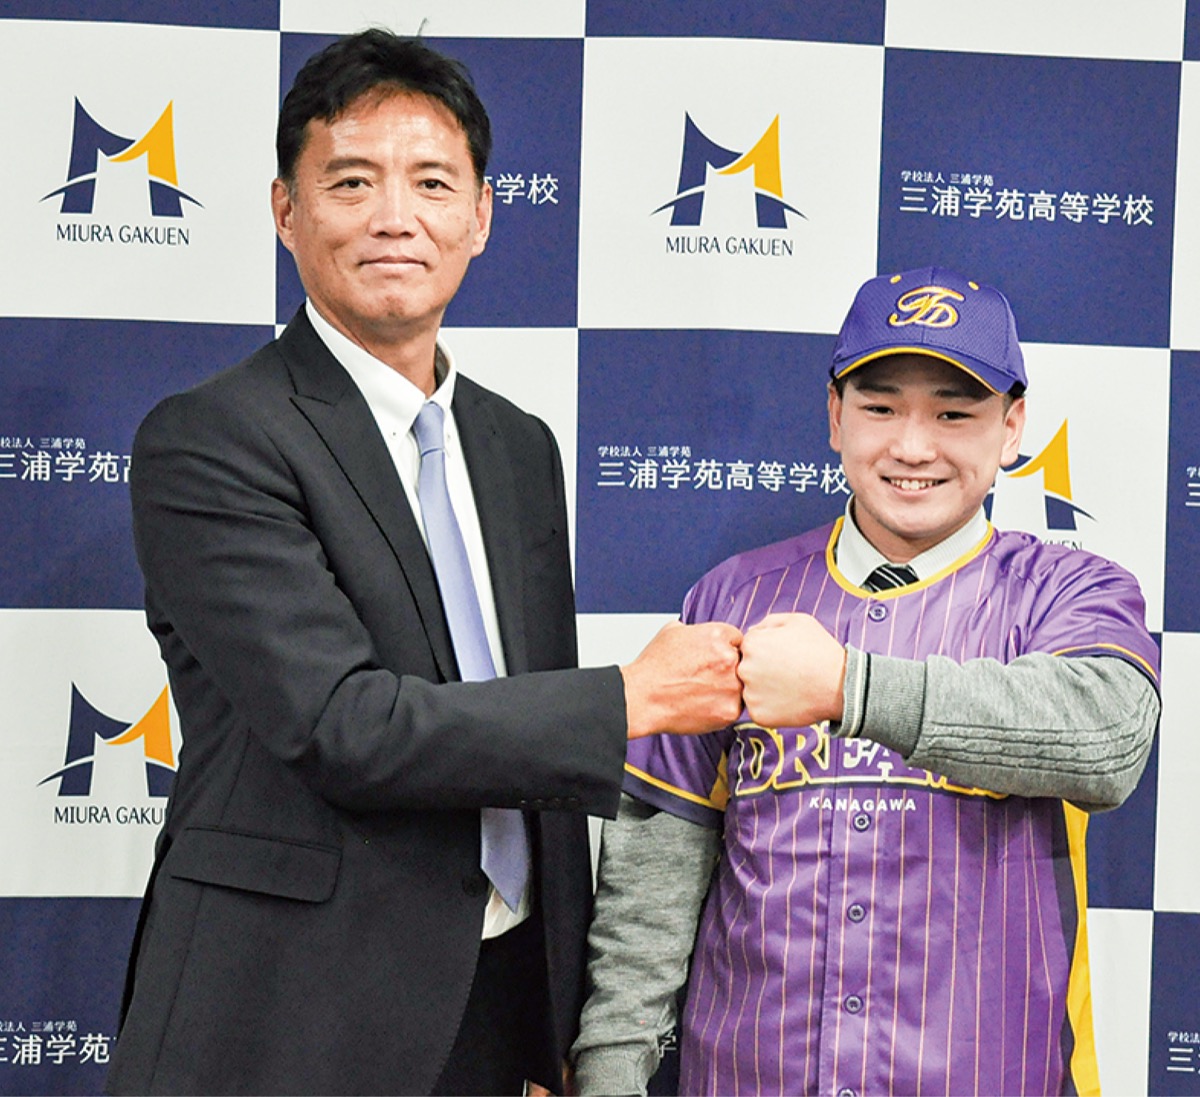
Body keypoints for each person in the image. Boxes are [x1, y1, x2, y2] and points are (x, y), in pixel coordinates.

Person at [105, 29, 743, 1097]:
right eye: (351, 181)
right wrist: (630, 698)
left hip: (495, 1005)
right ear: (285, 210)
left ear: (480, 216)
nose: (395, 216)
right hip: (289, 1013)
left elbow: (536, 760)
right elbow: (342, 724)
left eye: (433, 183)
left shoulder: (518, 445)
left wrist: (558, 1020)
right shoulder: (211, 438)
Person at [571, 266, 1161, 1097]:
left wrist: (850, 686)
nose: (913, 447)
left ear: (1012, 427)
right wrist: (610, 1071)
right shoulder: (732, 598)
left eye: (954, 414)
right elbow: (655, 869)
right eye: (881, 408)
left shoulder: (1070, 593)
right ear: (835, 416)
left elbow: (1108, 742)